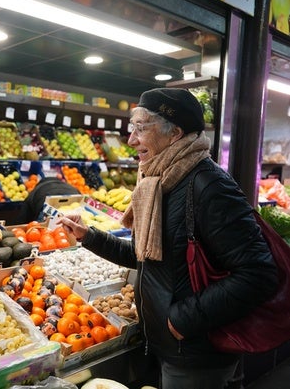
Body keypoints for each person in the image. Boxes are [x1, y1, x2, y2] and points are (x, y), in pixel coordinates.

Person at [57, 88, 278, 389]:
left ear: (174, 133)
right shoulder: (160, 180)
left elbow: (259, 274)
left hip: (196, 355)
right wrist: (90, 237)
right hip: (166, 345)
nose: (131, 140)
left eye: (141, 128)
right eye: (131, 127)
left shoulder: (209, 187)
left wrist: (181, 320)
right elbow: (146, 257)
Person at [10, 176, 80, 225]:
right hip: (74, 206)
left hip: (48, 209)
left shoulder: (36, 190)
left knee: (44, 234)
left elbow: (22, 218)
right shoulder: (70, 186)